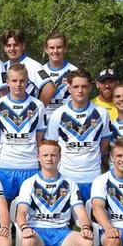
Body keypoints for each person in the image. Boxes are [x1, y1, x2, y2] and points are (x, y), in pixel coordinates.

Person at [15, 140, 94, 246]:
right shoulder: (29, 183)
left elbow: (80, 212)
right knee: (27, 242)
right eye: (45, 155)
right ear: (38, 158)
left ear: (59, 157)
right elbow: (20, 213)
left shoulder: (70, 184)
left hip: (62, 233)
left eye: (53, 155)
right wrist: (25, 227)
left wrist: (86, 226)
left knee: (86, 244)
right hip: (38, 232)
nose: (49, 158)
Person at [44, 69, 110, 202]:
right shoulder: (58, 114)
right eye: (76, 86)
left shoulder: (102, 113)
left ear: (90, 87)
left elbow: (104, 143)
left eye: (84, 86)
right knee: (65, 220)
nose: (80, 90)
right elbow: (51, 145)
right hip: (66, 176)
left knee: (93, 220)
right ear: (69, 88)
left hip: (93, 177)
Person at [0, 63, 46, 202]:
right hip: (5, 165)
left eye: (22, 81)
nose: (18, 84)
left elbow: (39, 138)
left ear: (27, 81)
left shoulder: (37, 105)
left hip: (30, 165)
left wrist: (40, 161)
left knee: (29, 210)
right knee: (3, 211)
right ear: (7, 82)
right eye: (14, 80)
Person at [1, 29, 55, 107]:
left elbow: (50, 88)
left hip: (28, 116)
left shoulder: (33, 65)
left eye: (16, 45)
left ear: (23, 46)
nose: (12, 49)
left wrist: (36, 110)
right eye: (9, 45)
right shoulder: (3, 67)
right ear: (4, 48)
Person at [42, 32, 78, 122]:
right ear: (46, 49)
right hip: (44, 123)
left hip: (67, 122)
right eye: (51, 48)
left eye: (59, 47)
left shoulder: (75, 72)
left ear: (65, 48)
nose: (55, 51)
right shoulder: (40, 71)